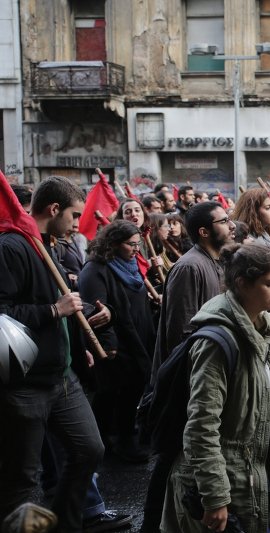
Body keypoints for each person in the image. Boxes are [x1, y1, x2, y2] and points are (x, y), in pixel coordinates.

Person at [0, 176, 107, 533]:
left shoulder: (47, 244)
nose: (79, 225)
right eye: (75, 216)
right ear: (54, 209)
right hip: (24, 384)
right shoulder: (13, 247)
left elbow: (64, 303)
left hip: (63, 378)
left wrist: (90, 314)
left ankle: (66, 524)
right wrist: (53, 311)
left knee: (90, 450)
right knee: (23, 478)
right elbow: (6, 312)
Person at [161, 243, 270, 533]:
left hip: (248, 480)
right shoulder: (216, 344)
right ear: (242, 284)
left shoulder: (262, 328)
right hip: (221, 485)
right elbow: (201, 427)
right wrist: (215, 497)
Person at [141, 201, 233, 533]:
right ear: (205, 231)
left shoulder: (217, 262)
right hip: (185, 379)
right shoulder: (189, 268)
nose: (231, 225)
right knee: (169, 460)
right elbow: (182, 333)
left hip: (203, 373)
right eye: (224, 221)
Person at [78, 220, 155, 463]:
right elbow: (95, 310)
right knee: (114, 394)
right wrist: (109, 342)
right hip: (117, 345)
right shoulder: (95, 270)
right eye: (131, 244)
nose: (136, 250)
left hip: (138, 337)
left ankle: (120, 437)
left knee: (130, 392)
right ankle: (116, 442)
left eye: (138, 244)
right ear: (114, 244)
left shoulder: (129, 265)